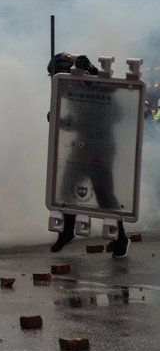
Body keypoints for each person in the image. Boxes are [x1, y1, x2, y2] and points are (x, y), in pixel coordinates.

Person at [47, 52, 131, 258]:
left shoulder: (91, 85)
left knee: (104, 194)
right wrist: (59, 120)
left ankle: (120, 237)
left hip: (100, 148)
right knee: (66, 190)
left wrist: (93, 72)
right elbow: (78, 124)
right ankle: (67, 231)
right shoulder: (74, 94)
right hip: (81, 147)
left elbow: (116, 110)